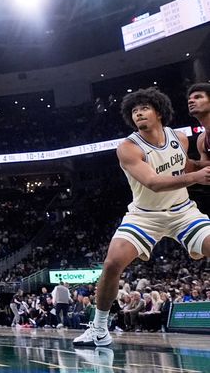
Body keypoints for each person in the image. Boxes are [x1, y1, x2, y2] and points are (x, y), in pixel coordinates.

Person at [74, 87, 210, 347]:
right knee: (112, 263)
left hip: (183, 211)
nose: (138, 114)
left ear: (158, 111)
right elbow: (154, 182)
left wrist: (201, 169)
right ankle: (99, 329)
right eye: (134, 111)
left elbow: (187, 166)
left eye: (144, 108)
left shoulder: (179, 138)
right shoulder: (128, 147)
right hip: (144, 216)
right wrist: (196, 177)